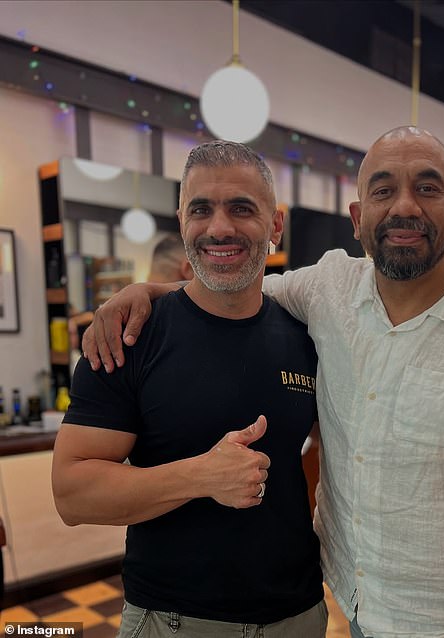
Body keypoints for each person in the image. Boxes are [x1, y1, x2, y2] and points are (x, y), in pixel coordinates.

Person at [82, 127, 444, 638]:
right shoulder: (326, 291)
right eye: (383, 190)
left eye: (427, 188)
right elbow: (230, 280)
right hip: (351, 609)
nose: (404, 207)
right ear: (358, 219)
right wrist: (147, 292)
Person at [52, 141, 327, 637]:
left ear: (276, 224)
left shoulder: (306, 334)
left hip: (300, 615)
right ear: (182, 222)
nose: (219, 227)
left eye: (241, 208)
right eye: (201, 209)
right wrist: (201, 476)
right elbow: (72, 493)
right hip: (175, 620)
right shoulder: (130, 335)